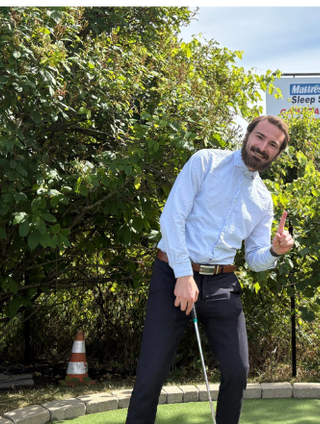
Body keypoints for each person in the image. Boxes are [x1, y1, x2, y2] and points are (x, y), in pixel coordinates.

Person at [124, 115, 295, 424]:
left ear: (277, 154)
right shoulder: (205, 161)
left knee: (237, 371)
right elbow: (171, 218)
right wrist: (183, 274)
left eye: (272, 144)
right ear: (247, 135)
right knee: (151, 372)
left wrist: (273, 251)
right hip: (172, 275)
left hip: (221, 284)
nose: (262, 147)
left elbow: (255, 259)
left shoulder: (263, 200)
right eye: (260, 137)